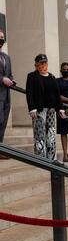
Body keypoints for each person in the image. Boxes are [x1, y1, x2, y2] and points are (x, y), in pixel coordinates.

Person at [26, 54, 65, 160]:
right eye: (41, 63)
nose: (43, 65)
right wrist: (31, 108)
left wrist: (60, 108)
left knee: (51, 134)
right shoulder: (32, 76)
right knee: (40, 134)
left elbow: (57, 94)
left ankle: (51, 158)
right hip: (39, 109)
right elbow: (29, 93)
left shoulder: (52, 77)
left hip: (51, 110)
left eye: (45, 63)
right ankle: (40, 158)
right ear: (36, 65)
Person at [0, 29, 15, 160]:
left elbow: (9, 74)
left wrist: (11, 80)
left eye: (2, 38)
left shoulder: (6, 57)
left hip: (6, 96)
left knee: (3, 123)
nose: (1, 40)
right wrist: (1, 79)